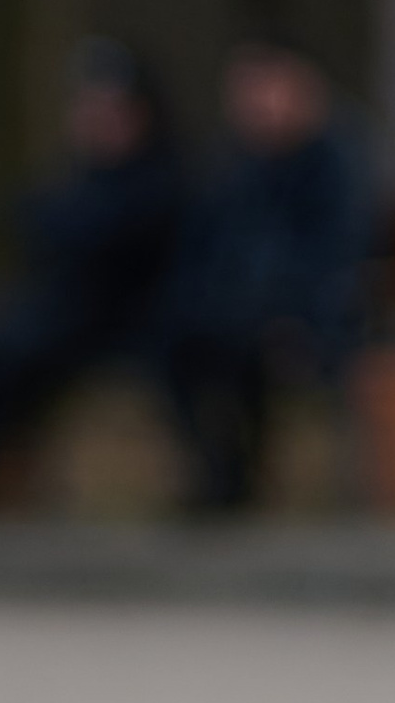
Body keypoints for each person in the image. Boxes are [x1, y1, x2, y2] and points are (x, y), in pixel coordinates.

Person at [0, 39, 185, 500]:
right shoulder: (80, 177)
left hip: (112, 324)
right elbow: (33, 223)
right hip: (52, 314)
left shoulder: (159, 180)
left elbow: (86, 241)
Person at [157, 40, 374, 514]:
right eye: (246, 94)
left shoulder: (336, 164)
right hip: (238, 311)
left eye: (266, 91)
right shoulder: (234, 165)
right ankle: (221, 470)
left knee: (242, 346)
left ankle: (234, 476)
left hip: (312, 316)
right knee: (173, 338)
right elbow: (207, 246)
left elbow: (339, 256)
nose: (256, 106)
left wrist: (295, 311)